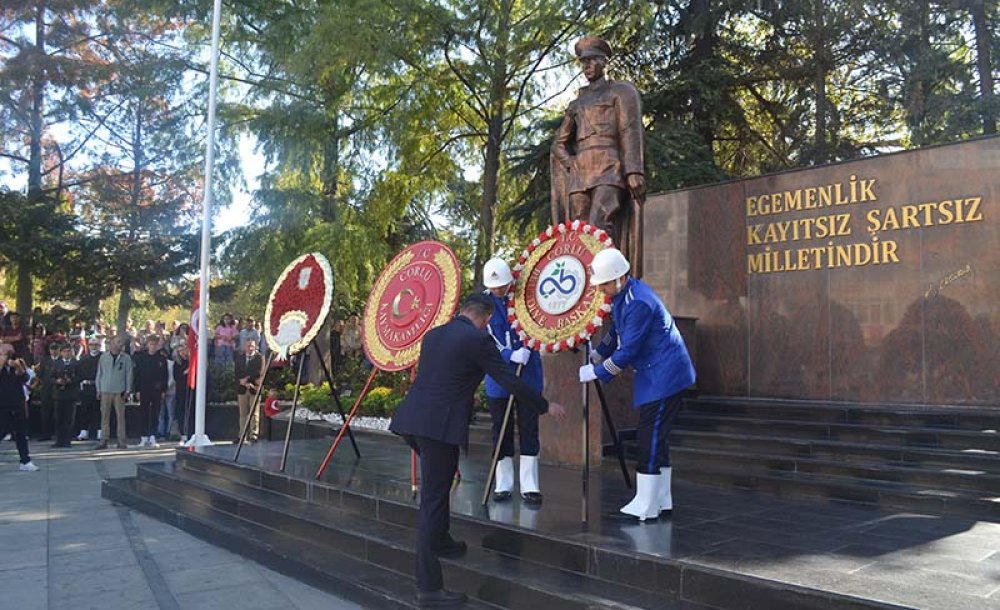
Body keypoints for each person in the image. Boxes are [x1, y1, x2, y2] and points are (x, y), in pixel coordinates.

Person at [389, 294, 567, 607]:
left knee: (439, 488)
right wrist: (544, 405)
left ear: (461, 311)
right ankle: (429, 587)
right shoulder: (478, 341)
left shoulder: (434, 335)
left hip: (412, 421)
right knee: (432, 500)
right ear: (485, 318)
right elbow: (508, 380)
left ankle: (442, 541)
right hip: (438, 429)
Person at [578, 249, 695, 521]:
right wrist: (598, 353)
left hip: (666, 374)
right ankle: (662, 499)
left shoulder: (638, 302)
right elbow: (615, 332)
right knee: (657, 436)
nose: (602, 289)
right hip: (657, 373)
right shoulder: (624, 295)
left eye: (605, 284)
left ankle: (646, 502)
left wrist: (597, 371)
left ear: (619, 278)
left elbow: (629, 349)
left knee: (650, 435)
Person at [551, 35, 646, 273]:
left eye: (592, 61)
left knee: (599, 225)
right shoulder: (576, 103)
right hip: (580, 174)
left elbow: (629, 129)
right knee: (579, 233)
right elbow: (559, 144)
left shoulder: (621, 91)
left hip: (608, 167)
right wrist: (572, 164)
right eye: (583, 63)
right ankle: (582, 290)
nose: (587, 67)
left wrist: (634, 170)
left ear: (604, 62)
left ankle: (607, 283)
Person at [481, 258, 546, 505]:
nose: (499, 290)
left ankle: (530, 485)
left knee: (530, 429)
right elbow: (485, 340)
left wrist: (531, 344)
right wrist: (509, 354)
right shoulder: (483, 304)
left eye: (503, 285)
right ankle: (503, 484)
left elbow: (539, 323)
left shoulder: (526, 296)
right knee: (501, 431)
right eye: (495, 287)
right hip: (499, 378)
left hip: (528, 375)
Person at [0, 345, 38, 471]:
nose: (8, 355)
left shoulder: (17, 364)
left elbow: (25, 379)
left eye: (10, 353)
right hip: (2, 404)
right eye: (5, 353)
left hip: (17, 403)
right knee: (2, 431)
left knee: (21, 433)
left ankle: (25, 461)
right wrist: (3, 362)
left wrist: (18, 367)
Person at [96, 337, 134, 450]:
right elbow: (99, 373)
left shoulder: (126, 358)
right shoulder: (103, 357)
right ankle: (104, 440)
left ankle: (121, 440)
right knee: (104, 417)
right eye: (118, 341)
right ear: (111, 343)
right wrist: (98, 389)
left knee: (120, 417)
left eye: (121, 342)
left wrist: (128, 390)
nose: (120, 344)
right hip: (105, 390)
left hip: (119, 391)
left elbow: (129, 374)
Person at [134, 335, 168, 448]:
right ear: (147, 344)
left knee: (155, 413)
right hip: (144, 389)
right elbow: (137, 375)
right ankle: (143, 437)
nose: (153, 346)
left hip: (157, 390)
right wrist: (137, 390)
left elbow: (165, 376)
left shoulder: (161, 358)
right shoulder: (141, 358)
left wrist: (163, 390)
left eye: (155, 344)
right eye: (151, 344)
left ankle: (153, 436)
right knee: (143, 413)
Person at [234, 339, 264, 442]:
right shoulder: (240, 358)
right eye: (248, 346)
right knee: (243, 414)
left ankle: (253, 435)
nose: (250, 348)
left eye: (252, 346)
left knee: (254, 413)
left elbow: (259, 372)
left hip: (253, 388)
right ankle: (242, 435)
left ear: (255, 346)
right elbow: (236, 372)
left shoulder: (260, 358)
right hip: (242, 389)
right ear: (244, 347)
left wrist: (248, 380)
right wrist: (241, 381)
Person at [74, 338, 102, 441]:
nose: (94, 347)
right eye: (91, 345)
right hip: (86, 386)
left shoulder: (103, 358)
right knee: (85, 409)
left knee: (98, 410)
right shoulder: (83, 358)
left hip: (98, 386)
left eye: (96, 345)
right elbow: (78, 373)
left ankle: (100, 431)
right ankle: (84, 431)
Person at [52, 343, 79, 448]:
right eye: (65, 351)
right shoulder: (56, 363)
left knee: (69, 418)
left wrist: (71, 380)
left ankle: (67, 440)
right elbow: (50, 377)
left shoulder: (76, 363)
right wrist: (57, 381)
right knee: (59, 418)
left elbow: (80, 376)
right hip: (59, 394)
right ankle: (59, 440)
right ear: (61, 352)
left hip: (70, 394)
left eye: (69, 351)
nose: (67, 353)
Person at [35, 342, 61, 441]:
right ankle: (46, 434)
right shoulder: (45, 360)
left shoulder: (61, 360)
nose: (54, 351)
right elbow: (40, 374)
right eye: (52, 349)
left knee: (58, 413)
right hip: (47, 389)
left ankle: (58, 434)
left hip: (59, 390)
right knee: (46, 413)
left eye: (56, 349)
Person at [172, 344, 192, 444]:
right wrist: (185, 372)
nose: (183, 353)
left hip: (190, 390)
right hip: (181, 391)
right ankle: (183, 434)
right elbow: (176, 377)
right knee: (181, 413)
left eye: (184, 350)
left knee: (190, 412)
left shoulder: (191, 362)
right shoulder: (177, 364)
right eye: (180, 351)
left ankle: (191, 433)